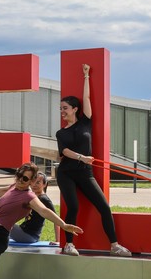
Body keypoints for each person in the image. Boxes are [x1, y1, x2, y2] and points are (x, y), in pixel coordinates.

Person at [56, 63, 131, 257]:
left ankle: (114, 245)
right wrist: (82, 157)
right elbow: (64, 151)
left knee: (104, 207)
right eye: (61, 108)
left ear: (74, 109)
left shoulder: (85, 122)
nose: (62, 111)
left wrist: (86, 76)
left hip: (85, 173)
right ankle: (69, 244)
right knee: (73, 206)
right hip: (67, 173)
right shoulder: (61, 132)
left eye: (65, 108)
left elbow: (87, 97)